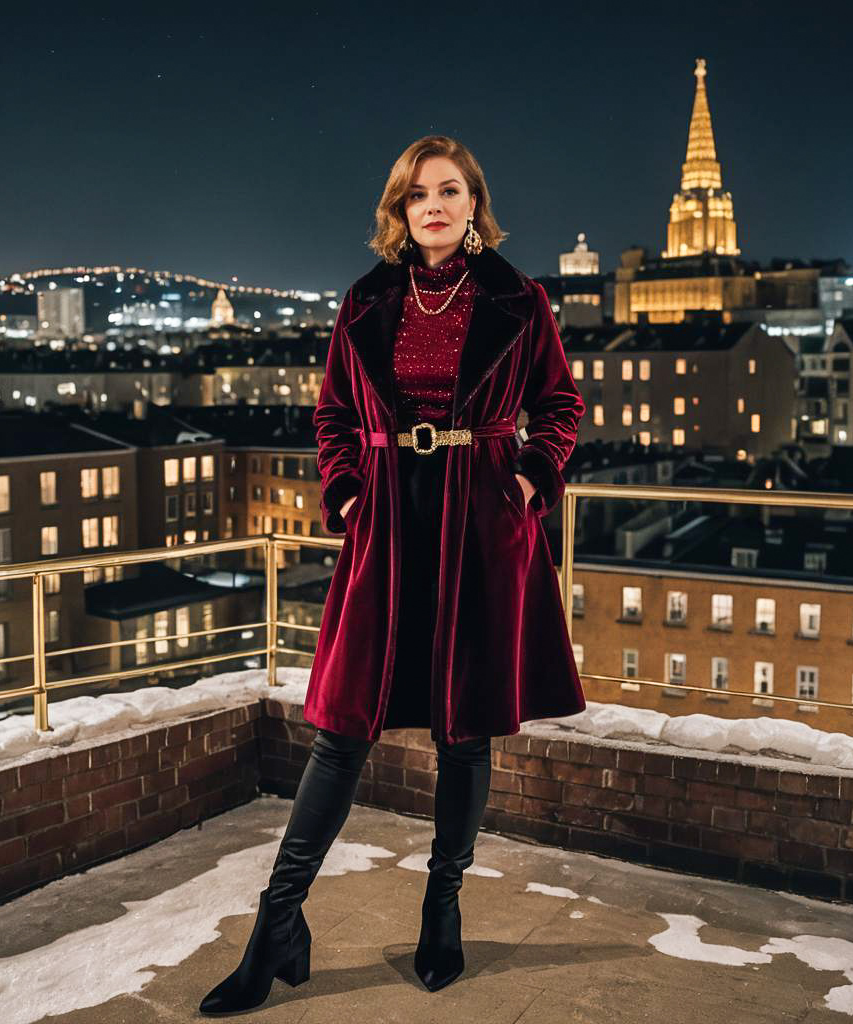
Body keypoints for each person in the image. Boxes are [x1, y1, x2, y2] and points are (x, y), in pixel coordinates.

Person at [199, 134, 585, 1016]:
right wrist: (343, 492)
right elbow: (333, 409)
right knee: (342, 733)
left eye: (451, 191)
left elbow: (559, 405)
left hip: (480, 526)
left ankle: (440, 905)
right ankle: (276, 925)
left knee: (464, 733)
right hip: (387, 525)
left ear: (475, 204)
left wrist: (527, 479)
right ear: (400, 210)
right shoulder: (368, 298)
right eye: (419, 195)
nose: (436, 206)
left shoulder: (519, 300)